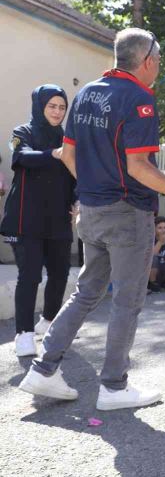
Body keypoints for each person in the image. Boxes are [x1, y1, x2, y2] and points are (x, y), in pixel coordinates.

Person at [20, 28, 165, 411]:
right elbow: (138, 166)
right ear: (147, 61)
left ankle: (43, 370)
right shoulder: (140, 98)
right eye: (158, 60)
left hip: (91, 211)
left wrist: (95, 191)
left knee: (86, 291)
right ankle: (113, 386)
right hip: (128, 214)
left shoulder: (86, 93)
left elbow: (70, 156)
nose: (158, 67)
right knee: (127, 300)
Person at [1, 85, 76, 357]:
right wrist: (54, 154)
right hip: (26, 218)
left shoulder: (68, 139)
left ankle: (47, 321)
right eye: (52, 106)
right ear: (40, 106)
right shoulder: (23, 132)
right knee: (30, 275)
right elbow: (21, 157)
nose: (57, 112)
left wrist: (77, 202)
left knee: (60, 273)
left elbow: (75, 175)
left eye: (61, 107)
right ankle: (24, 334)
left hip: (58, 218)